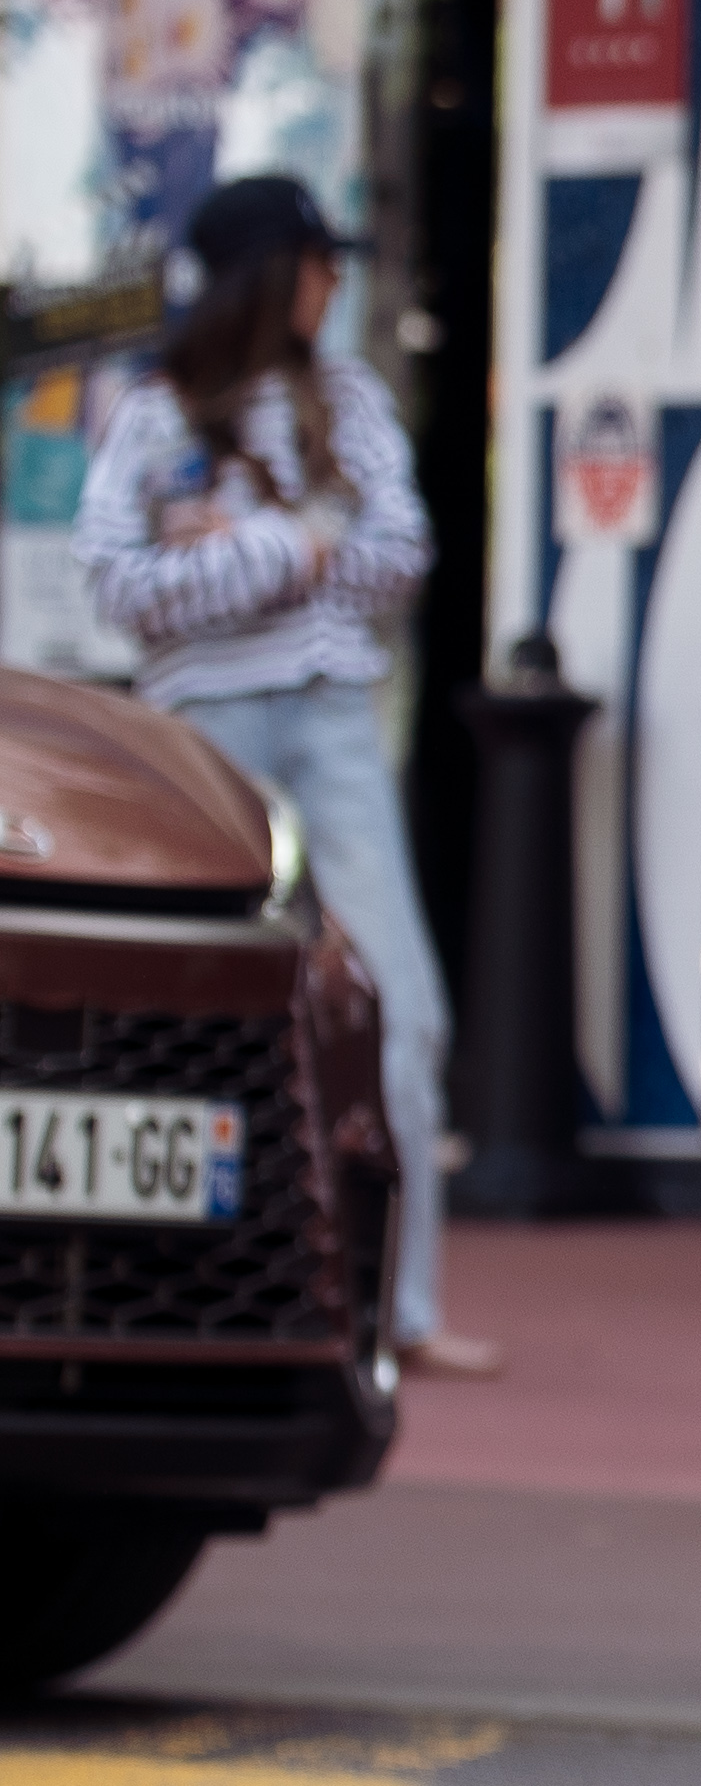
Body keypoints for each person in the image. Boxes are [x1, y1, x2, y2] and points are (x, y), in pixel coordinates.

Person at [74, 173, 491, 1381]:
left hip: (331, 724)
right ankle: (197, 1293)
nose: (336, 279)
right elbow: (123, 592)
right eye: (318, 259)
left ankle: (400, 1312)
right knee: (207, 1009)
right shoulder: (154, 414)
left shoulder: (346, 398)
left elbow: (398, 559)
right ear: (271, 270)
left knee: (403, 1011)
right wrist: (297, 540)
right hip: (199, 742)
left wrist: (247, 547)